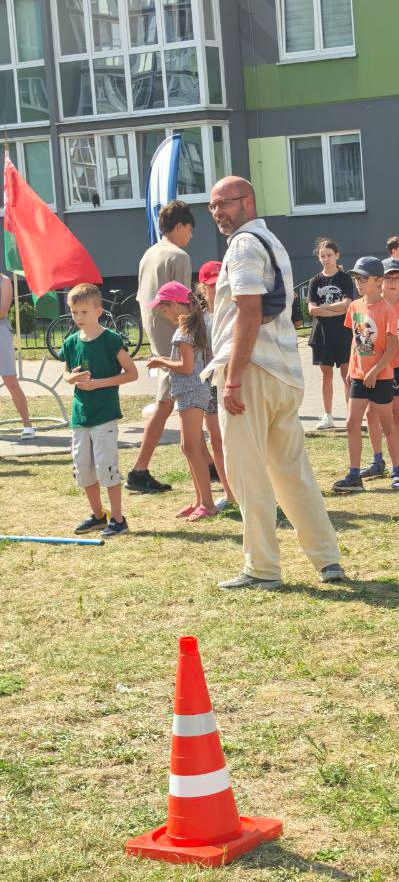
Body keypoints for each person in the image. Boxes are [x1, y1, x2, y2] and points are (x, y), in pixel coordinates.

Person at [205, 176, 342, 590]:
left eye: (222, 204)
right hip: (283, 372)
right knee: (292, 472)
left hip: (252, 373)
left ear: (247, 200)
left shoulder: (244, 244)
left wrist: (232, 379)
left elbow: (248, 311)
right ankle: (327, 559)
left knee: (246, 473)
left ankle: (262, 568)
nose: (216, 214)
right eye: (211, 207)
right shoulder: (270, 240)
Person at [59, 283, 138, 537]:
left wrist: (98, 384)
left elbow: (132, 374)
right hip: (80, 416)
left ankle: (118, 519)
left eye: (84, 312)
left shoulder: (111, 340)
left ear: (99, 310)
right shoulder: (71, 342)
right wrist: (70, 378)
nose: (78, 317)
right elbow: (65, 372)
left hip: (104, 416)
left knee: (107, 468)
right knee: (83, 469)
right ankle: (97, 516)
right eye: (74, 312)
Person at [129, 200, 195, 495]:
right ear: (180, 226)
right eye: (190, 230)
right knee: (168, 403)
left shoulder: (148, 253)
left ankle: (206, 464)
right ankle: (139, 470)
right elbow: (184, 304)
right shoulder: (178, 256)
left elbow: (144, 300)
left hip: (157, 334)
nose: (190, 236)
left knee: (187, 401)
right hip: (176, 338)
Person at [145, 281, 221, 521]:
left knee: (190, 447)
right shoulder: (192, 326)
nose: (163, 313)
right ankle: (200, 500)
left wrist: (160, 362)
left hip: (190, 390)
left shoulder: (183, 331)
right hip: (193, 390)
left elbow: (186, 367)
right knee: (191, 446)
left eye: (164, 308)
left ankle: (207, 503)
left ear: (176, 305)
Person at [332, 256, 399, 493]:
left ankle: (397, 470)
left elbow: (393, 347)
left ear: (378, 280)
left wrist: (375, 370)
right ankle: (354, 475)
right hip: (358, 376)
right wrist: (351, 370)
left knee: (387, 424)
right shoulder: (355, 306)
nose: (358, 282)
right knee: (352, 422)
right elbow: (357, 339)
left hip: (381, 377)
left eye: (363, 278)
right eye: (356, 277)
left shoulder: (387, 310)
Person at [364, 258, 399, 478]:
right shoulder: (370, 303)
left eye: (398, 277)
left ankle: (396, 461)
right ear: (380, 281)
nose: (394, 282)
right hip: (373, 368)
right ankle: (377, 460)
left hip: (395, 368)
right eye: (389, 277)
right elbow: (363, 337)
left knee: (395, 413)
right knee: (371, 413)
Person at [195, 261, 237, 512]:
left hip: (235, 381)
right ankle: (229, 493)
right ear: (202, 288)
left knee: (241, 438)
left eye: (220, 284)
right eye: (210, 286)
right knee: (217, 439)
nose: (216, 290)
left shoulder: (235, 312)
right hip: (211, 385)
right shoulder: (201, 319)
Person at [306, 238, 354, 430]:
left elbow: (347, 306)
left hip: (343, 333)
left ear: (337, 256)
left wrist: (323, 307)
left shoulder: (345, 278)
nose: (326, 259)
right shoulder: (314, 281)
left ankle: (352, 414)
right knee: (326, 376)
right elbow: (311, 310)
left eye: (329, 255)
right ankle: (328, 416)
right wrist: (332, 309)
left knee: (346, 375)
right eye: (322, 256)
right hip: (322, 334)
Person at [0, 271, 34, 438]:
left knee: (10, 381)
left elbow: (2, 311)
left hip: (1, 334)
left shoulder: (4, 281)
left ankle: (27, 425)